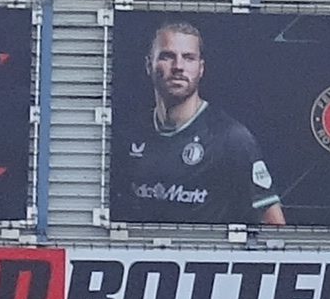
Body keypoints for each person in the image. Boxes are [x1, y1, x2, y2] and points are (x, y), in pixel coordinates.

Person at [111, 15, 283, 231]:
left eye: (189, 58)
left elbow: (274, 224)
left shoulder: (231, 138)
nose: (178, 66)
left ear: (201, 68)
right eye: (167, 56)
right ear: (149, 65)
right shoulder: (128, 134)